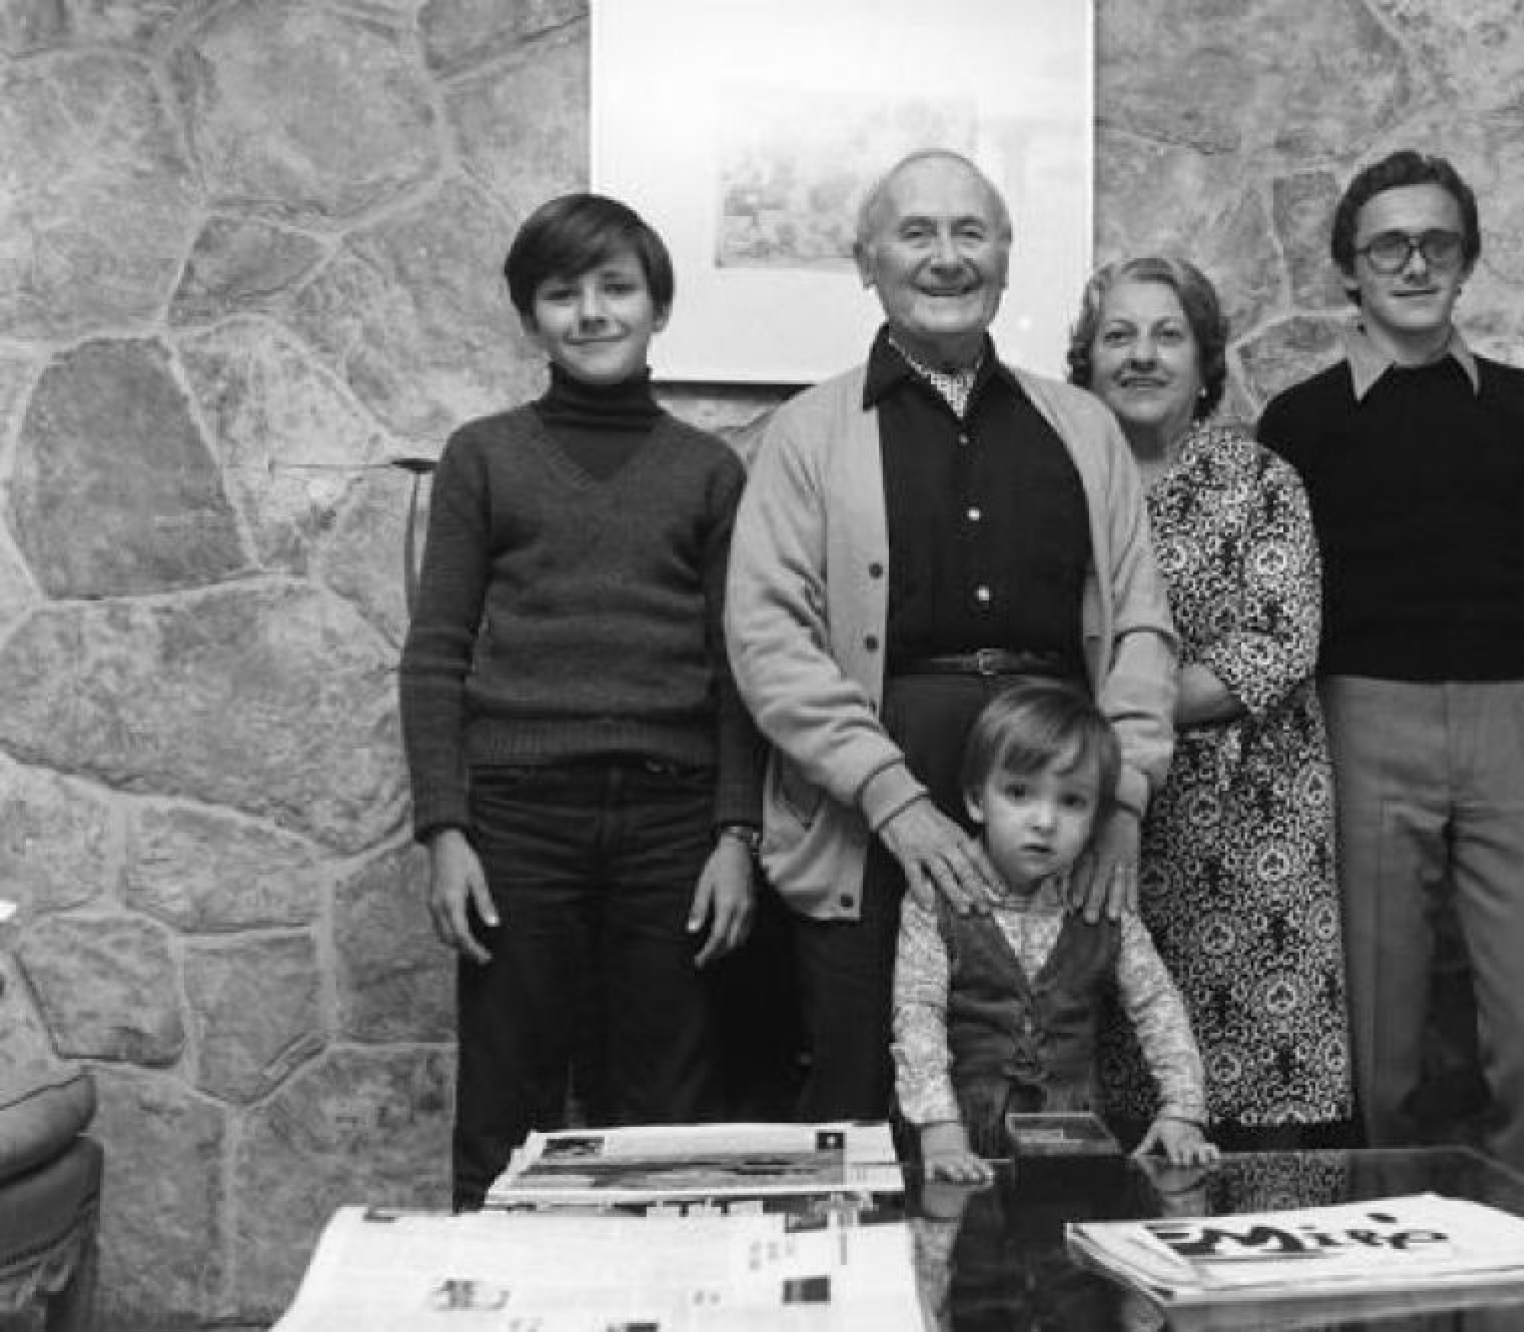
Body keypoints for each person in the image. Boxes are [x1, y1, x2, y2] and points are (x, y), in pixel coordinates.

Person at [725, 150, 1179, 1123]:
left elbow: (1142, 623)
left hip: (1055, 813)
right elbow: (768, 636)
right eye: (916, 233)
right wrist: (892, 801)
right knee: (863, 1103)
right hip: (865, 826)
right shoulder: (805, 433)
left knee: (1038, 1105)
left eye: (970, 232)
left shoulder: (1084, 428)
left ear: (1006, 258)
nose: (946, 257)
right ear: (867, 262)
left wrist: (1123, 799)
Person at [1256, 150, 1524, 1196]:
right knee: (1376, 1048)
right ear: (1349, 270)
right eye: (1389, 247)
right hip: (1362, 725)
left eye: (1437, 244)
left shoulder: (1521, 405)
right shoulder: (1300, 422)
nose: (1414, 264)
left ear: (1467, 261)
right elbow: (1280, 607)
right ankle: (1389, 1255)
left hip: (1518, 729)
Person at [399, 193, 762, 1209]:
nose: (592, 313)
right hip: (519, 820)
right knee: (505, 1099)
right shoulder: (483, 456)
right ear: (531, 319)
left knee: (667, 1104)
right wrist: (445, 830)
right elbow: (434, 655)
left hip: (674, 823)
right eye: (563, 294)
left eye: (616, 288)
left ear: (659, 307)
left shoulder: (709, 471)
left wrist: (736, 833)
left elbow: (737, 668)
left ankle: (663, 1288)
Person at [1066, 256, 1352, 1148]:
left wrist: (1119, 716)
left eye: (1168, 335)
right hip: (1090, 813)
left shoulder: (1261, 481)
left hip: (1251, 832)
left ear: (1204, 363)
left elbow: (1278, 645)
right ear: (1086, 362)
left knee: (1263, 1109)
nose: (1141, 355)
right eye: (1118, 336)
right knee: (1117, 1092)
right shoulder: (1059, 483)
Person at [891, 682, 1217, 1181]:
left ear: (1097, 817)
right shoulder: (936, 897)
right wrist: (938, 1126)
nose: (1044, 821)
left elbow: (1158, 1006)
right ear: (976, 799)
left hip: (1073, 1142)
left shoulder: (1100, 902)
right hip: (956, 1137)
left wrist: (1183, 1111)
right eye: (1019, 793)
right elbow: (918, 1015)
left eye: (1071, 801)